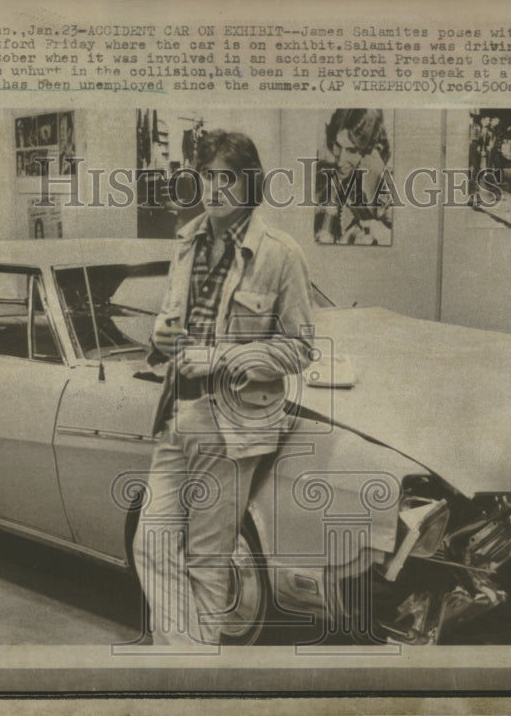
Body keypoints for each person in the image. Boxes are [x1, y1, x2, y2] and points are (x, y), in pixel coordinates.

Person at [133, 130, 314, 646]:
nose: (214, 188)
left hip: (231, 424)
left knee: (207, 562)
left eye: (226, 178)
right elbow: (169, 323)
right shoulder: (187, 243)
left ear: (248, 183)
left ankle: (188, 683)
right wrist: (159, 337)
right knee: (151, 543)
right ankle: (189, 669)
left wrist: (224, 357)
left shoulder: (280, 254)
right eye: (207, 176)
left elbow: (300, 349)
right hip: (177, 416)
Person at [314, 108, 393, 245]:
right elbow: (323, 239)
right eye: (338, 146)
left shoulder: (390, 187)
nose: (340, 161)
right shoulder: (336, 185)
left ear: (373, 151)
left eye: (351, 150)